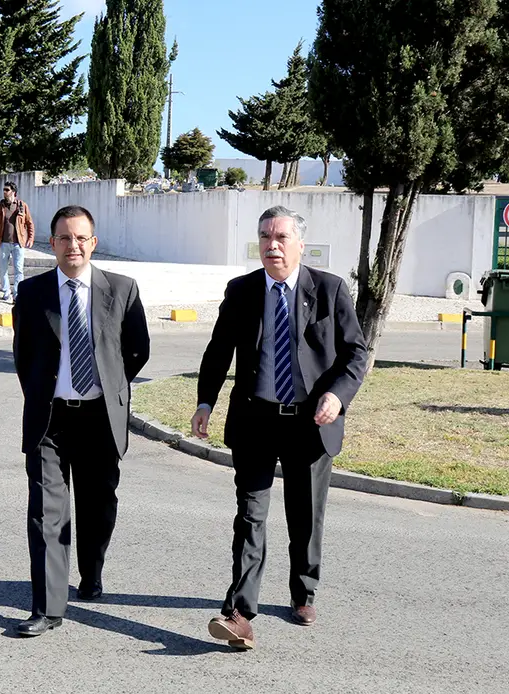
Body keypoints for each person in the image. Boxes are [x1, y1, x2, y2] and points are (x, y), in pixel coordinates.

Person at [192, 205, 368, 650]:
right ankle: (239, 613)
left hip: (310, 421)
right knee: (250, 516)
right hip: (255, 419)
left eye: (281, 237)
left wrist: (336, 396)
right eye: (265, 237)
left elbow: (355, 354)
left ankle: (303, 592)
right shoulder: (242, 291)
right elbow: (219, 351)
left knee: (305, 514)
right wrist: (205, 401)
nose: (272, 245)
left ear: (300, 245)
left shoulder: (328, 289)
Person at [11, 206, 150, 637]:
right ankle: (48, 607)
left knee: (98, 506)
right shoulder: (32, 293)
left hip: (99, 418)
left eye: (81, 238)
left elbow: (137, 350)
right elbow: (24, 356)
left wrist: (110, 385)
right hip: (50, 419)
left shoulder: (122, 289)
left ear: (93, 242)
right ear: (50, 243)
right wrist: (41, 394)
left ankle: (91, 572)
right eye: (64, 238)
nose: (73, 246)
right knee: (46, 513)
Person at [0, 181, 35, 303]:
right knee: (3, 269)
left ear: (13, 192)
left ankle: (17, 293)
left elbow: (29, 223)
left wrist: (30, 238)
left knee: (18, 269)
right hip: (3, 242)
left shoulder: (22, 206)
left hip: (18, 243)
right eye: (4, 190)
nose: (4, 192)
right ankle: (6, 292)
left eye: (7, 190)